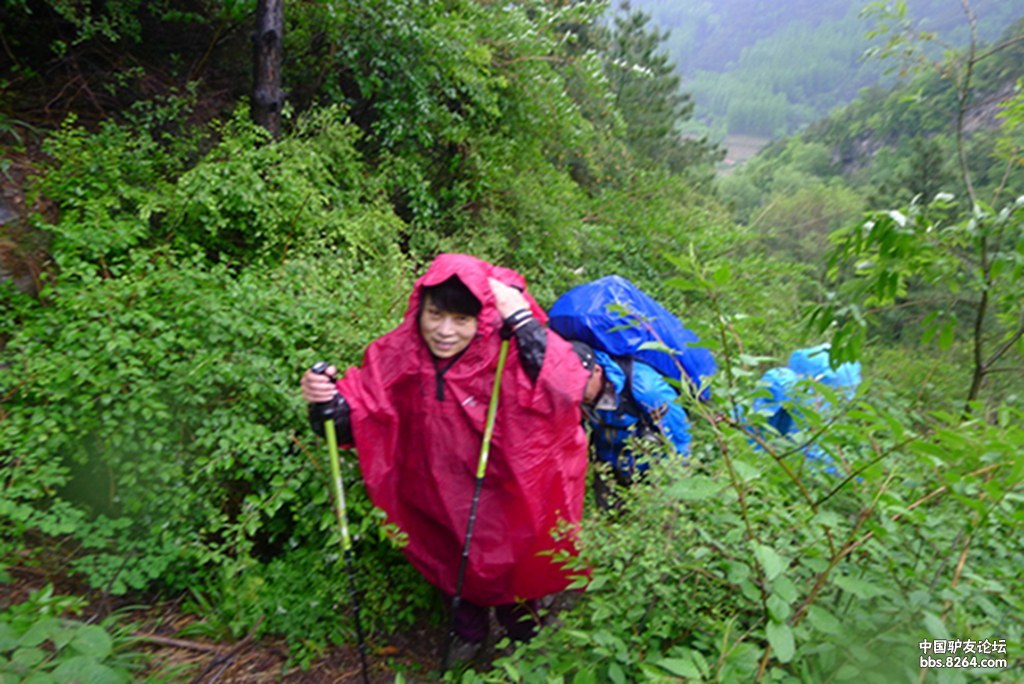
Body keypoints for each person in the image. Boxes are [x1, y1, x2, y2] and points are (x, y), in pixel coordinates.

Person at [300, 254, 591, 665]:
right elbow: (360, 413)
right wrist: (326, 404)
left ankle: (524, 641)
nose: (444, 331)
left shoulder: (507, 352)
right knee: (451, 565)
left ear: (482, 318)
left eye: (461, 319)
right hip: (435, 494)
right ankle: (468, 635)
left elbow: (567, 388)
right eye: (435, 315)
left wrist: (522, 320)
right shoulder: (400, 351)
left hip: (505, 494)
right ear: (420, 309)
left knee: (512, 568)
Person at [572, 341, 692, 510]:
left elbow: (679, 439)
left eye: (581, 385)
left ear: (597, 371)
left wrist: (678, 487)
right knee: (608, 518)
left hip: (650, 470)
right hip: (607, 467)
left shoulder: (646, 389)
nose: (576, 392)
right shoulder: (573, 394)